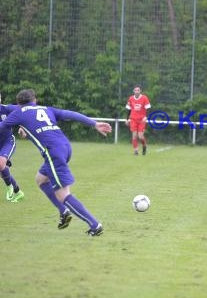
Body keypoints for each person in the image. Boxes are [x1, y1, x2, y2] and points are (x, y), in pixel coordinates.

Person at [0, 89, 112, 236]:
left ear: (18, 103)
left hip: (53, 152)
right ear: (35, 100)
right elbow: (70, 114)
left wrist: (22, 128)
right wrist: (94, 123)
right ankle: (63, 211)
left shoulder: (18, 112)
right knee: (41, 179)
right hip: (65, 147)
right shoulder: (46, 109)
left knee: (63, 194)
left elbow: (2, 127)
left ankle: (94, 225)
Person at [0, 93, 24, 203]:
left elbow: (26, 109)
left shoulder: (6, 109)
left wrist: (22, 126)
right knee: (2, 168)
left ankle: (9, 186)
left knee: (1, 164)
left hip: (8, 142)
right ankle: (17, 191)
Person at [125, 84, 151, 155]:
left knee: (140, 136)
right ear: (133, 91)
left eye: (138, 90)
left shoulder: (144, 98)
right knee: (134, 135)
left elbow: (148, 108)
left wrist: (146, 117)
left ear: (140, 91)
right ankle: (136, 151)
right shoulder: (130, 98)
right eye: (135, 90)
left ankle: (144, 145)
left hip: (141, 120)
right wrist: (127, 119)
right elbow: (129, 110)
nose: (137, 91)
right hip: (133, 119)